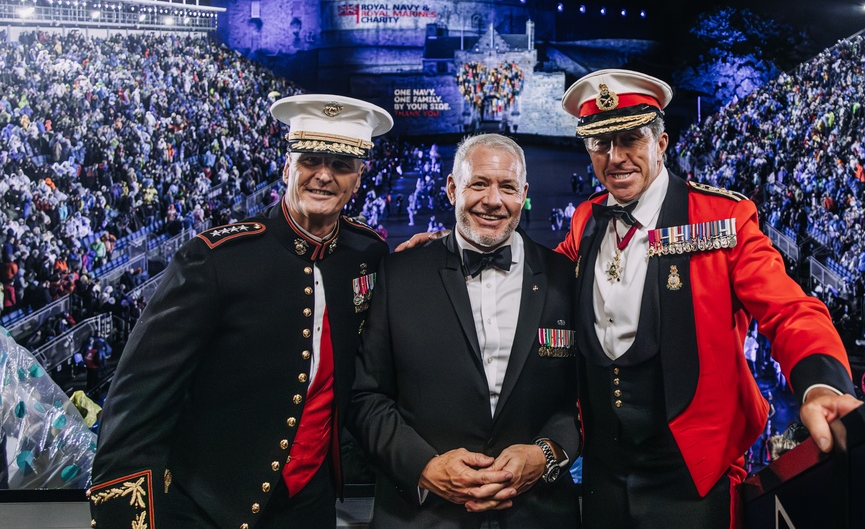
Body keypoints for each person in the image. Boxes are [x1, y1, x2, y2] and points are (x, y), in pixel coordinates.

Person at [553, 69, 862, 528]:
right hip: (603, 475)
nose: (615, 158)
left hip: (693, 477)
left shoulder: (723, 218)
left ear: (661, 142)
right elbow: (540, 275)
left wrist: (821, 384)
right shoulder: (587, 219)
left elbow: (789, 309)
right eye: (601, 143)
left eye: (630, 139)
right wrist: (452, 246)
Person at [88, 94, 393, 529]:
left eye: (341, 165)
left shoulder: (368, 252)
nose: (324, 175)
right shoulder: (215, 259)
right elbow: (136, 402)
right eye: (310, 160)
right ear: (288, 167)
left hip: (311, 505)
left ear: (358, 178)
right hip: (206, 506)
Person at [350, 134, 580, 527]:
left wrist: (545, 453)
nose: (493, 200)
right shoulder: (399, 275)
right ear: (453, 188)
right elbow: (365, 396)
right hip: (422, 515)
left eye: (507, 187)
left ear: (523, 193)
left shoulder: (565, 279)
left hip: (535, 513)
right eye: (479, 183)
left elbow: (583, 395)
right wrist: (424, 467)